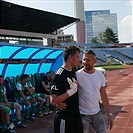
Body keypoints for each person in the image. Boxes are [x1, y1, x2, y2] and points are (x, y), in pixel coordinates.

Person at [76, 50, 114, 133]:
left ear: (94, 61)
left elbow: (104, 95)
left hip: (97, 113)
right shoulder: (78, 75)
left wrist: (109, 114)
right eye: (84, 60)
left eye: (88, 60)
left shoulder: (100, 75)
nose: (85, 62)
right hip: (82, 115)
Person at [50, 46, 83, 133]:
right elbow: (53, 101)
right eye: (77, 57)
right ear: (70, 58)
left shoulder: (73, 71)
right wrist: (69, 93)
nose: (79, 60)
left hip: (75, 117)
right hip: (65, 118)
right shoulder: (59, 76)